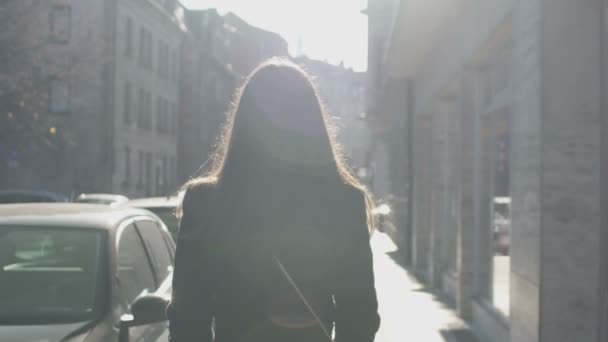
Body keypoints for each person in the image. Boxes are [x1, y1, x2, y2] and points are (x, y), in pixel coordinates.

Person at [167, 58, 380, 342]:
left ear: (244, 125)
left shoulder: (206, 203)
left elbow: (188, 318)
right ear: (313, 127)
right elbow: (359, 315)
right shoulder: (344, 203)